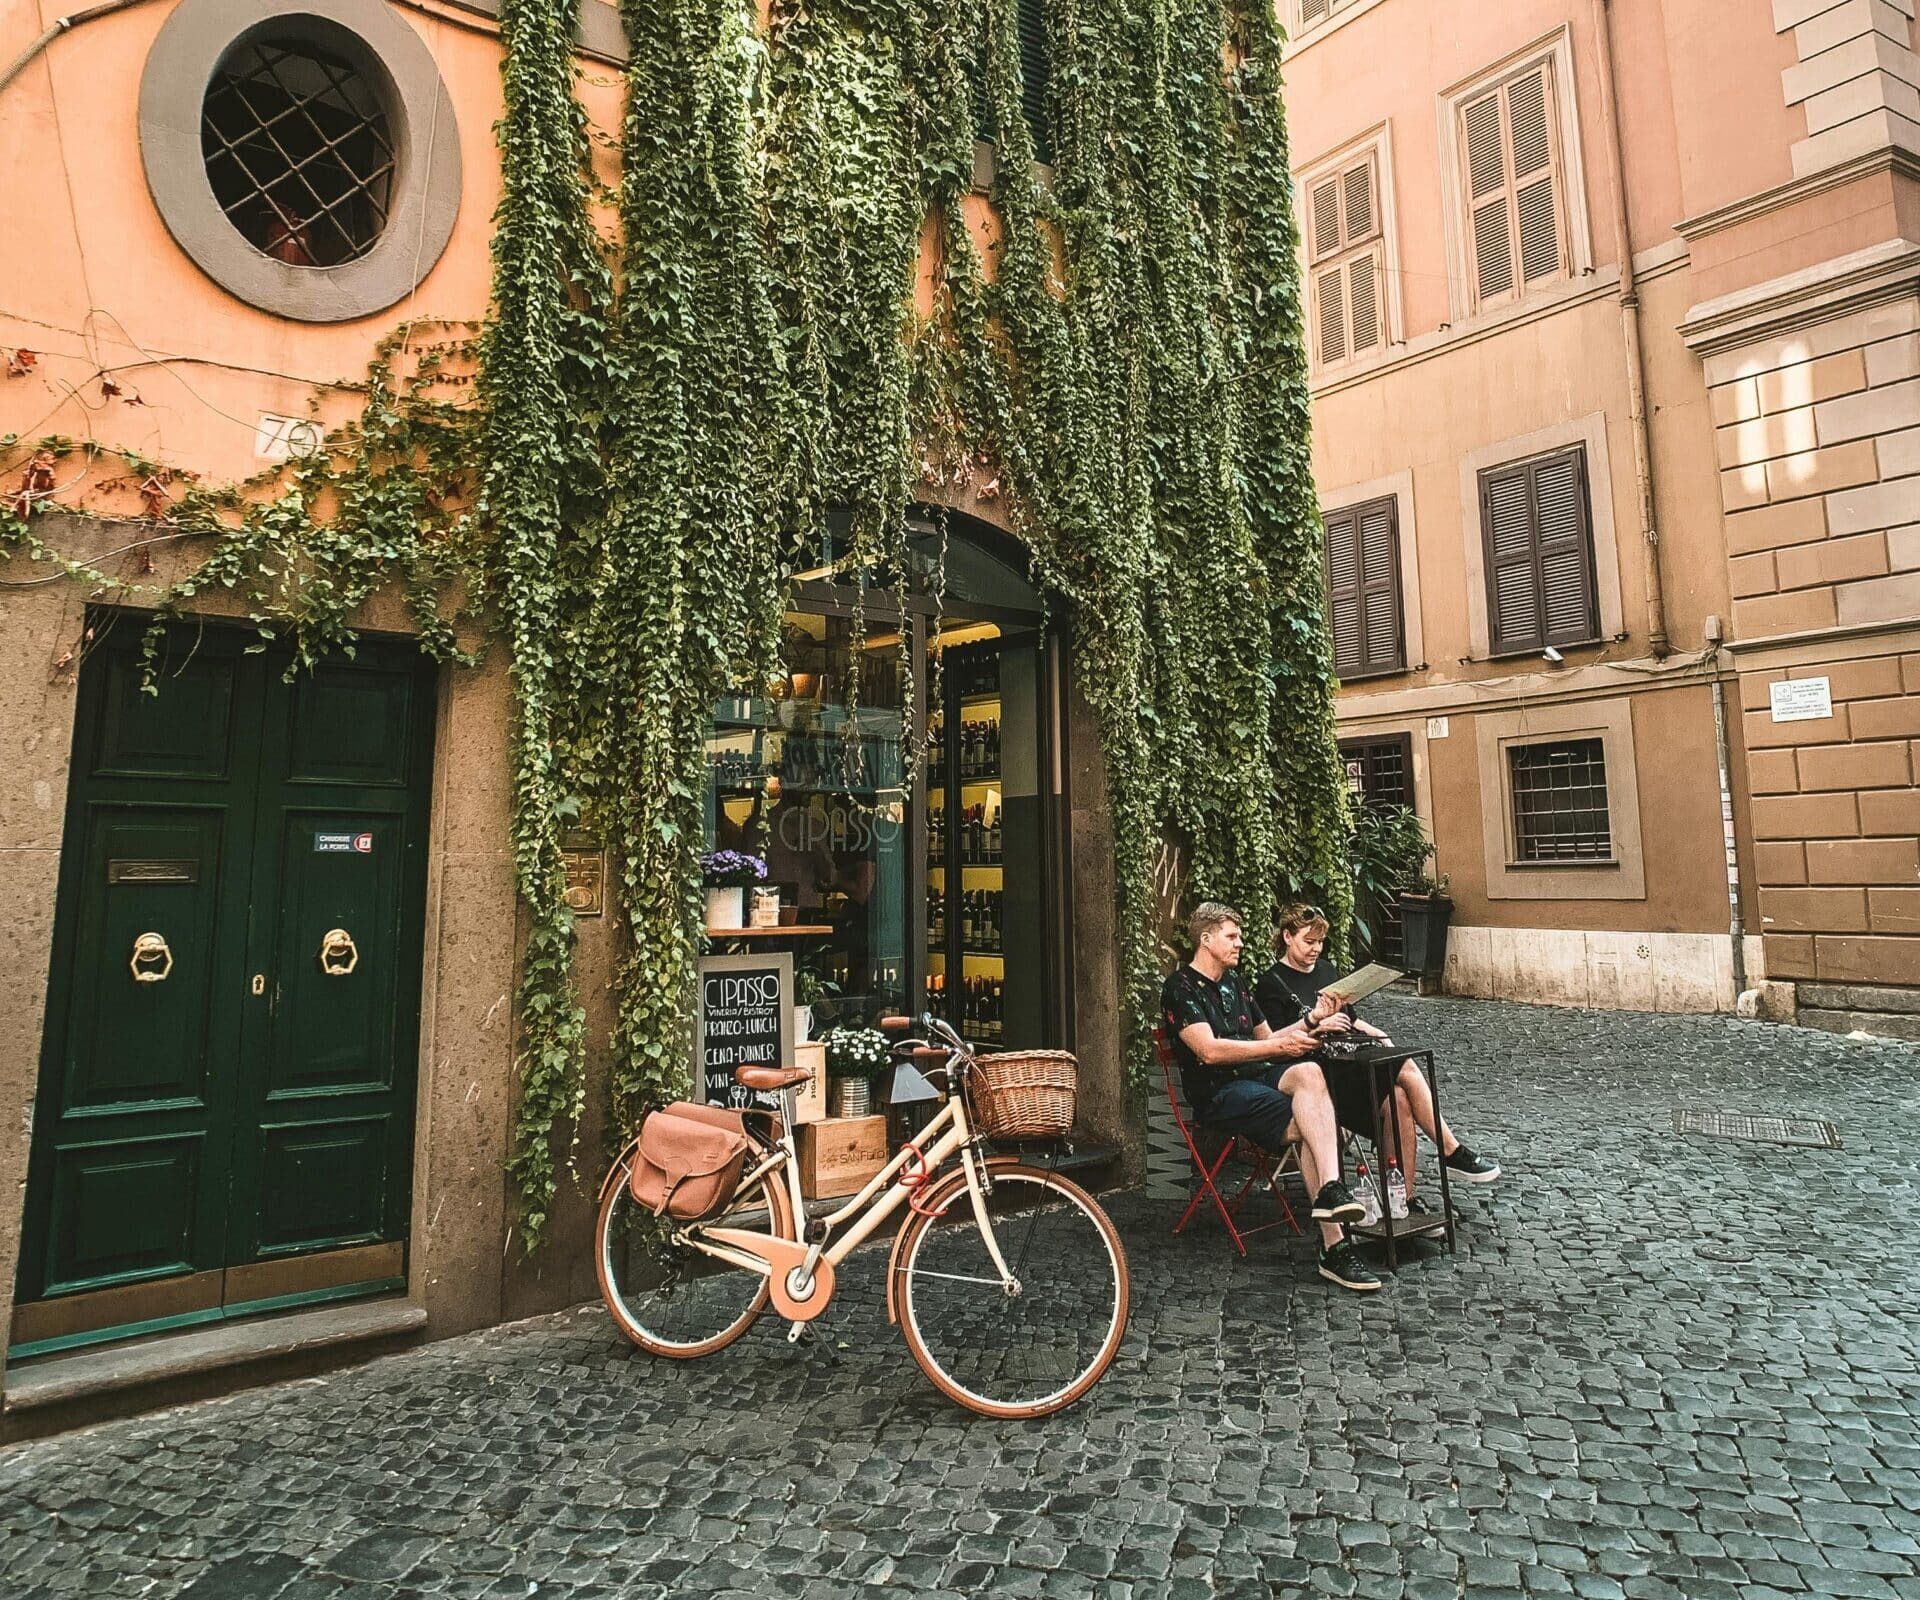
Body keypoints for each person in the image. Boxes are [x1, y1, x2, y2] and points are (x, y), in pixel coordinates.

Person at [1161, 901, 1380, 1293]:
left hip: (1257, 1078)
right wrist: (1277, 1052)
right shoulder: (1180, 988)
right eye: (1232, 936)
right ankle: (1335, 1246)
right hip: (1220, 1093)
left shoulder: (1236, 982)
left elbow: (1267, 1039)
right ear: (1206, 939)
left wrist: (1311, 1021)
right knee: (1312, 1122)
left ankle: (1330, 1188)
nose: (1240, 943)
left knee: (1311, 1073)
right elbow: (1209, 1051)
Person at [1252, 903, 1500, 1212]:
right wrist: (1316, 1024)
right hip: (1318, 1074)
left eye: (1320, 942)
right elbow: (1276, 1045)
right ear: (1287, 937)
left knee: (1399, 1098)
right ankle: (1450, 1150)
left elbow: (1351, 1019)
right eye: (1308, 941)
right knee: (1404, 1066)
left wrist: (1379, 1034)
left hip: (1351, 1060)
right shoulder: (1270, 983)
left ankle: (1402, 1201)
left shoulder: (1327, 971)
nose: (1316, 949)